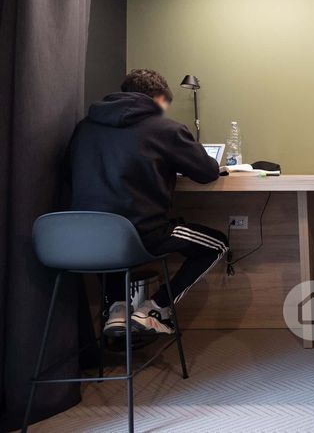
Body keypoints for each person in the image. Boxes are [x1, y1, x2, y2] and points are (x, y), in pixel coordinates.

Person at [68, 69, 228, 336]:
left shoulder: (85, 127)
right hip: (142, 235)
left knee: (109, 229)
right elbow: (207, 172)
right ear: (159, 99)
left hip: (82, 237)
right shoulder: (166, 129)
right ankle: (156, 308)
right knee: (217, 244)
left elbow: (67, 171)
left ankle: (118, 308)